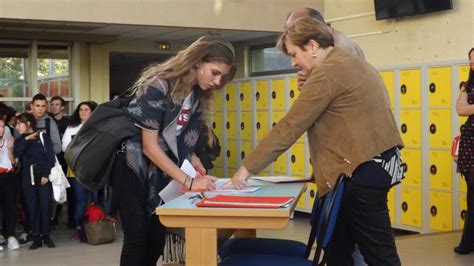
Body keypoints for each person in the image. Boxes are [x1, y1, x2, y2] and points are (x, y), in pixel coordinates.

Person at [226, 17, 404, 265]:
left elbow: (290, 126)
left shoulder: (328, 72)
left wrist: (245, 170)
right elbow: (341, 120)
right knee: (340, 252)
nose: (293, 62)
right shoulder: (350, 62)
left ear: (311, 46)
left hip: (360, 174)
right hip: (374, 165)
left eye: (294, 54)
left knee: (379, 256)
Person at [112, 35, 236, 266]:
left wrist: (197, 168)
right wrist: (188, 182)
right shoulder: (158, 85)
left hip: (164, 173)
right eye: (215, 72)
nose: (218, 82)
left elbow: (185, 145)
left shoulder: (198, 94)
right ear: (198, 61)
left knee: (156, 241)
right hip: (133, 168)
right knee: (137, 240)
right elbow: (149, 147)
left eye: (223, 76)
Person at [285, 8, 365, 90]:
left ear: (314, 25)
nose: (292, 38)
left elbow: (338, 91)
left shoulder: (340, 49)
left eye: (296, 31)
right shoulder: (328, 44)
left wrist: (311, 87)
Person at [13, 113, 56, 250]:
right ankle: (36, 236)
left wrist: (45, 174)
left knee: (45, 205)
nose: (17, 126)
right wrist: (27, 139)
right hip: (27, 176)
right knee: (32, 206)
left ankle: (46, 235)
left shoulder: (43, 137)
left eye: (19, 123)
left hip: (43, 175)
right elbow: (17, 153)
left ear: (28, 123)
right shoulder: (20, 140)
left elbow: (50, 157)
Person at [62, 101, 98, 239]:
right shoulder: (72, 127)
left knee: (97, 199)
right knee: (80, 200)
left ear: (92, 112)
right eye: (80, 109)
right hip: (76, 169)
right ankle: (80, 228)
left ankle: (98, 227)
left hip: (96, 169)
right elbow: (64, 147)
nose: (82, 112)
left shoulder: (98, 126)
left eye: (86, 109)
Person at [454, 47, 474, 255]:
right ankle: (468, 242)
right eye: (469, 59)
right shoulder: (466, 86)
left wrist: (471, 106)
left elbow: (467, 108)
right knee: (472, 195)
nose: (471, 63)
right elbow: (461, 109)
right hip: (470, 147)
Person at [49, 96, 72, 228]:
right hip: (53, 161)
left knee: (70, 190)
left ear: (62, 107)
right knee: (54, 190)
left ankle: (71, 219)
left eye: (57, 104)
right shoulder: (48, 121)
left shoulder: (69, 122)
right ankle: (53, 218)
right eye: (52, 104)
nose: (54, 107)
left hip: (67, 160)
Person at [0, 118, 19, 251]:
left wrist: (10, 149)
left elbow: (13, 163)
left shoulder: (8, 141)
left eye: (2, 127)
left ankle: (11, 235)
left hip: (9, 176)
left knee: (10, 206)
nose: (1, 129)